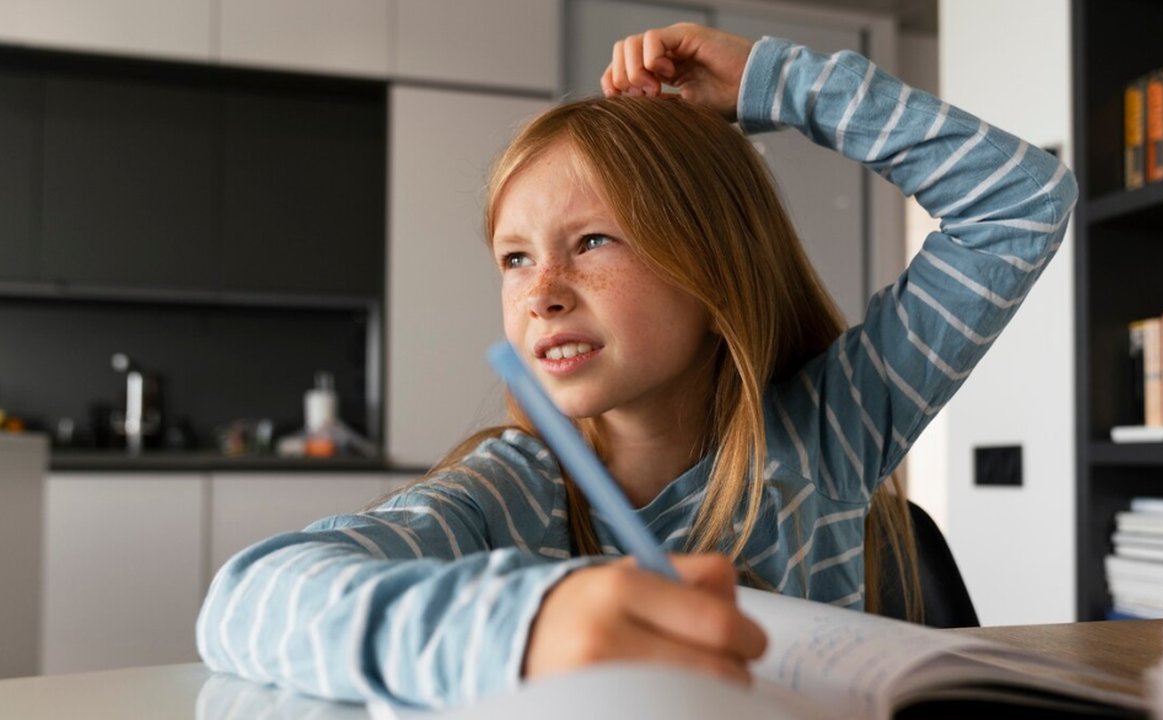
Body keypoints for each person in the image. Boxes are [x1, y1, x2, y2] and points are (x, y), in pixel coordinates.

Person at [197, 22, 1076, 709]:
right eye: (513, 258)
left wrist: (776, 82)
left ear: (714, 265)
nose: (541, 292)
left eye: (590, 242)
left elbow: (1023, 198)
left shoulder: (831, 431)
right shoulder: (512, 492)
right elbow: (249, 603)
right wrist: (528, 625)